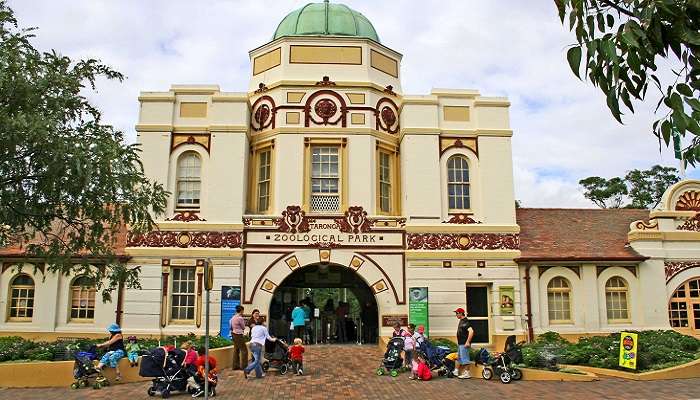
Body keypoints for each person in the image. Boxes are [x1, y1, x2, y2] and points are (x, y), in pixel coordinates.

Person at [453, 307, 474, 379]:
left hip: (464, 344)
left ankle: (467, 373)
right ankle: (456, 371)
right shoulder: (461, 321)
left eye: (457, 313)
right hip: (460, 343)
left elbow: (471, 331)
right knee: (459, 358)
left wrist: (467, 342)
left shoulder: (465, 321)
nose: (456, 315)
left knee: (465, 359)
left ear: (461, 313)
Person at [229, 305, 248, 370]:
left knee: (236, 350)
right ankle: (244, 366)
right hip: (239, 334)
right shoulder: (240, 318)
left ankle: (235, 365)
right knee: (244, 350)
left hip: (233, 334)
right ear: (241, 310)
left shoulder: (232, 318)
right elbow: (243, 327)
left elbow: (230, 327)